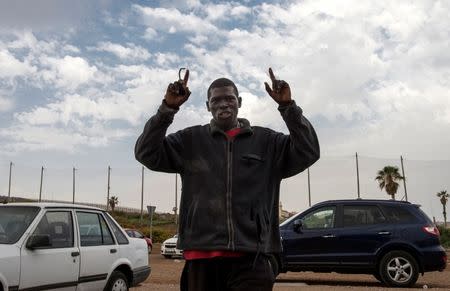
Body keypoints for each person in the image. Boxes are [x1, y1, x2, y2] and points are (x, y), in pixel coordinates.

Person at [135, 68, 320, 290]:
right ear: (207, 106)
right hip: (201, 258)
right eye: (216, 100)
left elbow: (308, 151)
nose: (223, 104)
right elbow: (146, 153)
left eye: (229, 98)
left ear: (239, 102)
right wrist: (168, 108)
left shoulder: (268, 142)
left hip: (252, 257)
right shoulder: (190, 141)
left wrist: (288, 107)